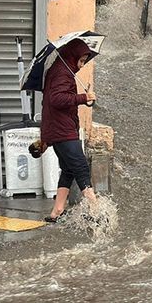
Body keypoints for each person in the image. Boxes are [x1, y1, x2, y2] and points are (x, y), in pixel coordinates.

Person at [42, 38, 97, 222]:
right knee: (81, 167)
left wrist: (83, 99)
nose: (81, 65)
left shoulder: (62, 71)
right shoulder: (61, 73)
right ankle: (96, 209)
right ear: (72, 56)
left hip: (60, 129)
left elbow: (61, 99)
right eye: (81, 61)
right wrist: (82, 97)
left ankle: (56, 211)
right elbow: (56, 100)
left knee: (68, 169)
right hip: (62, 131)